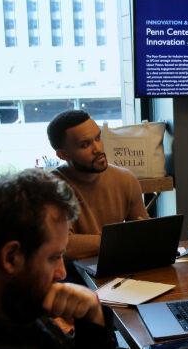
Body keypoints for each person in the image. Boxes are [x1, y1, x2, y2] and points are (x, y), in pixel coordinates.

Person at [0, 169, 116, 349]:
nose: (61, 273)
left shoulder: (20, 308)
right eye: (53, 258)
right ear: (11, 258)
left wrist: (92, 317)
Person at [47, 110, 148, 261]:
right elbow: (63, 245)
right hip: (71, 275)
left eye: (98, 138)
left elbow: (143, 233)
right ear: (63, 155)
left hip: (116, 266)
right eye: (85, 144)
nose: (98, 149)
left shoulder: (126, 179)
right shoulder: (50, 188)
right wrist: (119, 239)